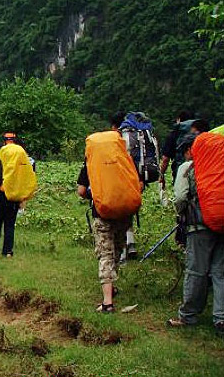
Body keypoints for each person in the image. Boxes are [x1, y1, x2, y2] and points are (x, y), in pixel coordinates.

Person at [76, 114, 139, 313]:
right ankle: (113, 288)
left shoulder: (91, 163)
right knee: (117, 250)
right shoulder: (124, 159)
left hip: (102, 214)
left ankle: (107, 303)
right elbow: (136, 184)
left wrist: (95, 196)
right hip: (124, 214)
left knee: (105, 254)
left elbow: (81, 191)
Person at [167, 133, 224, 333]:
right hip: (222, 224)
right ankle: (221, 319)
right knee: (220, 272)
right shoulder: (220, 168)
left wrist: (182, 213)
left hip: (198, 227)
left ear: (192, 150)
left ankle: (188, 315)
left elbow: (181, 197)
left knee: (196, 271)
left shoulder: (188, 168)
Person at [0, 133, 28, 258]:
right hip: (14, 196)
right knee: (10, 224)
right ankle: (8, 251)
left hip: (1, 195)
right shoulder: (19, 167)